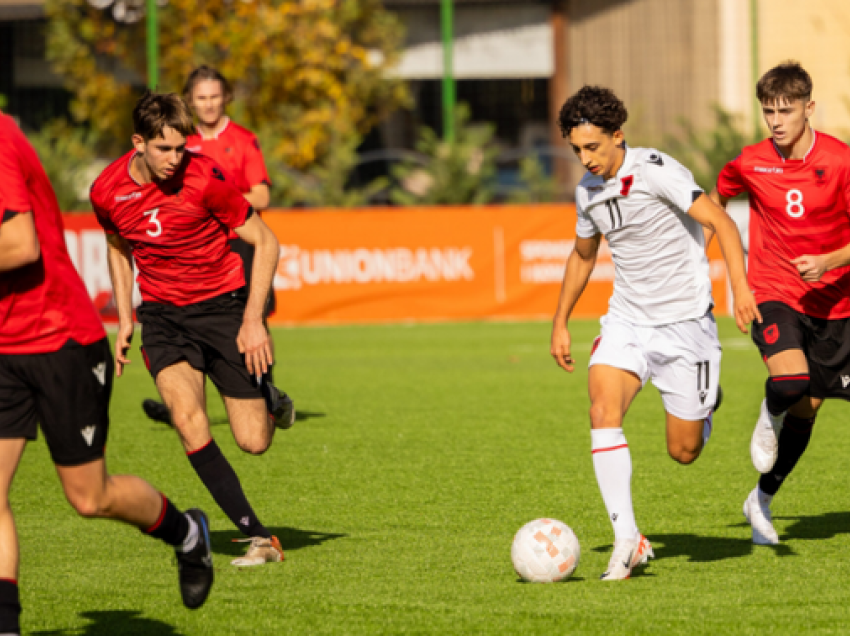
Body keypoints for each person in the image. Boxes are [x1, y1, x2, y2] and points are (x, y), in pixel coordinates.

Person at [0, 110, 214, 634]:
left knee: (89, 498)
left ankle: (186, 533)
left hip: (62, 339)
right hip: (4, 350)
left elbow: (20, 244)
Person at [550, 86, 759, 580]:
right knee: (602, 410)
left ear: (618, 136)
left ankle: (706, 405)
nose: (585, 159)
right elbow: (583, 256)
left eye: (593, 147)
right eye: (577, 150)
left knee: (683, 451)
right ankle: (628, 539)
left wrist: (741, 290)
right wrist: (559, 321)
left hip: (686, 326)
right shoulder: (587, 193)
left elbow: (722, 224)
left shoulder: (656, 170)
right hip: (627, 321)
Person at [91, 91, 290, 567]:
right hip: (162, 318)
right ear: (138, 142)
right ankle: (259, 538)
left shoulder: (205, 177)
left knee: (253, 441)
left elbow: (266, 240)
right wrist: (124, 318)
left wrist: (252, 320)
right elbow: (118, 246)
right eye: (165, 149)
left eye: (181, 148)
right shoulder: (106, 190)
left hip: (223, 308)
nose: (176, 159)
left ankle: (271, 400)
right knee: (186, 419)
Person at [710, 61, 850, 545]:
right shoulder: (751, 161)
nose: (775, 121)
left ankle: (762, 498)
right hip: (774, 292)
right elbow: (716, 201)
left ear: (809, 108)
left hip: (837, 307)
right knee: (790, 383)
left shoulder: (840, 161)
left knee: (808, 408)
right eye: (768, 111)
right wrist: (735, 278)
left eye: (785, 110)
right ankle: (767, 415)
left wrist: (832, 259)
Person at [141, 65, 289, 427]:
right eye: (201, 98)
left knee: (250, 319)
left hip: (238, 242)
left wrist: (216, 199)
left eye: (214, 97)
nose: (208, 104)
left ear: (226, 98)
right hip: (190, 247)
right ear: (191, 101)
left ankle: (264, 394)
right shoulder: (180, 142)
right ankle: (184, 404)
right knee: (186, 319)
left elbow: (262, 194)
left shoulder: (242, 139)